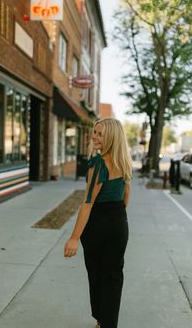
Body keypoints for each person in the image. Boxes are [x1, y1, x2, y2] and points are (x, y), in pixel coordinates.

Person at [64, 118, 132, 328]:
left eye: (100, 133)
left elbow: (87, 203)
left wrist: (74, 238)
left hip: (97, 223)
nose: (94, 136)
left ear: (111, 137)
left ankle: (102, 321)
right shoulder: (124, 162)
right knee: (114, 275)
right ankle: (108, 323)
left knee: (97, 274)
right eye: (94, 132)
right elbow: (126, 195)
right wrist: (117, 218)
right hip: (119, 221)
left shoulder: (99, 164)